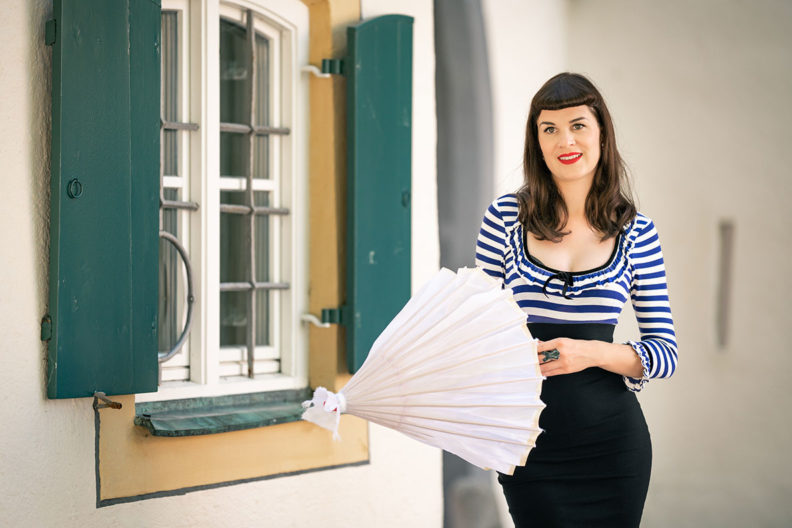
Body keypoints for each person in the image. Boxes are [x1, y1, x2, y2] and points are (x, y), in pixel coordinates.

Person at [475, 72, 678, 527]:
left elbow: (665, 354)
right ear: (537, 141)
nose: (565, 139)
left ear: (601, 132)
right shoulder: (505, 218)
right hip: (527, 444)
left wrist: (586, 352)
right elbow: (478, 335)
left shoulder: (636, 232)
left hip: (612, 446)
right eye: (549, 128)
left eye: (578, 125)